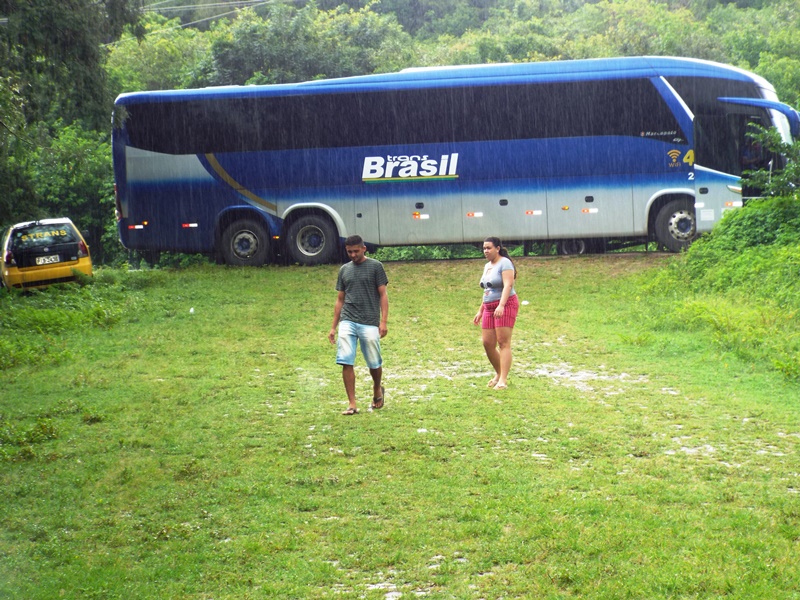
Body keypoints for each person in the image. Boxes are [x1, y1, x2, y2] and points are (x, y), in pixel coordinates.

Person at [329, 235, 389, 415]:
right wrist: (333, 327)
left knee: (373, 361)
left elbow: (383, 295)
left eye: (356, 251)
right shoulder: (344, 270)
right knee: (346, 361)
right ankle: (352, 403)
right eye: (349, 252)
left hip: (369, 320)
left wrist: (383, 321)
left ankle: (377, 388)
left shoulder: (375, 267)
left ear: (364, 248)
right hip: (348, 319)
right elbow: (340, 300)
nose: (353, 255)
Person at [473, 236, 518, 390]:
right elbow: (487, 290)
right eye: (484, 248)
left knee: (503, 342)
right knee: (487, 343)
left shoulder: (505, 263)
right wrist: (480, 310)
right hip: (488, 307)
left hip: (505, 305)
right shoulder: (487, 266)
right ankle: (499, 373)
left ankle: (503, 380)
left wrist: (501, 305)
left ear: (497, 248)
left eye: (489, 248)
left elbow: (508, 285)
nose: (486, 251)